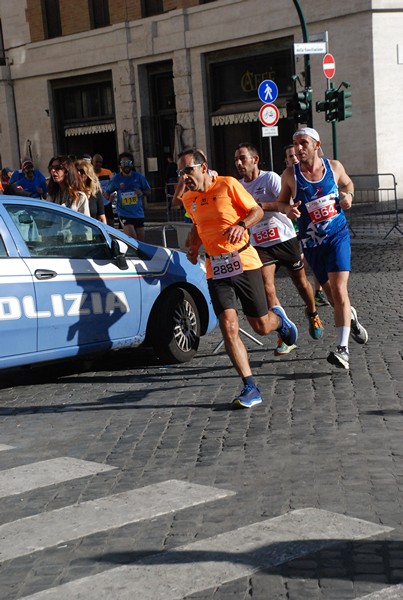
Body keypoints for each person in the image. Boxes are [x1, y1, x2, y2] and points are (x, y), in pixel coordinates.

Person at [177, 147, 298, 409]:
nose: (184, 176)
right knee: (229, 324)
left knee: (260, 325)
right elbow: (198, 225)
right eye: (180, 172)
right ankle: (250, 385)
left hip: (244, 261)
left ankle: (280, 322)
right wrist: (195, 247)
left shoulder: (228, 184)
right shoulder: (189, 199)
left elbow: (255, 211)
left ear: (203, 167)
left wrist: (240, 226)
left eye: (187, 170)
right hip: (216, 269)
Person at [277, 127, 368, 370]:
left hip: (337, 236)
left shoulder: (334, 167)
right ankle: (351, 317)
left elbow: (348, 185)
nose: (298, 149)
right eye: (295, 144)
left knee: (339, 290)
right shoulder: (290, 175)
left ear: (316, 145)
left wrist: (348, 196)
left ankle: (343, 349)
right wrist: (288, 209)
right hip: (311, 242)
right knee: (332, 296)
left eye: (303, 143)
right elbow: (281, 202)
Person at [234, 142, 323, 357]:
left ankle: (312, 313)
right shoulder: (236, 186)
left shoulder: (270, 178)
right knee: (267, 288)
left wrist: (261, 206)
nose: (238, 163)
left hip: (283, 238)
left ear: (254, 160)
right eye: (236, 159)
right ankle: (284, 335)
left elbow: (287, 204)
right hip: (259, 243)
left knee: (301, 283)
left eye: (242, 158)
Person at [284, 144, 330, 308]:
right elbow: (282, 203)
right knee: (304, 261)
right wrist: (289, 207)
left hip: (313, 228)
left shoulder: (310, 174)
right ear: (286, 160)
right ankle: (309, 291)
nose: (294, 158)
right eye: (290, 156)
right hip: (292, 230)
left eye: (295, 155)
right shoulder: (287, 177)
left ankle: (318, 292)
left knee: (319, 260)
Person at [105, 151, 151, 241]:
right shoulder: (116, 179)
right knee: (133, 241)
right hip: (124, 214)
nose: (126, 165)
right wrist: (109, 198)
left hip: (138, 214)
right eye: (123, 163)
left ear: (132, 164)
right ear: (120, 165)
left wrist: (142, 193)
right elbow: (107, 192)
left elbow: (148, 191)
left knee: (141, 243)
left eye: (128, 163)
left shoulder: (139, 177)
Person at [75, 159, 106, 223]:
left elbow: (102, 217)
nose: (78, 173)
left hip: (92, 230)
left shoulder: (95, 192)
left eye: (82, 171)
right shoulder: (71, 191)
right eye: (76, 171)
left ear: (88, 174)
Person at [92, 153, 115, 226]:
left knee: (110, 222)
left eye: (100, 162)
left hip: (106, 202)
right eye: (97, 162)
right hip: (96, 202)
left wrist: (112, 195)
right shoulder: (90, 173)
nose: (98, 164)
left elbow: (112, 185)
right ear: (92, 162)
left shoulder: (107, 172)